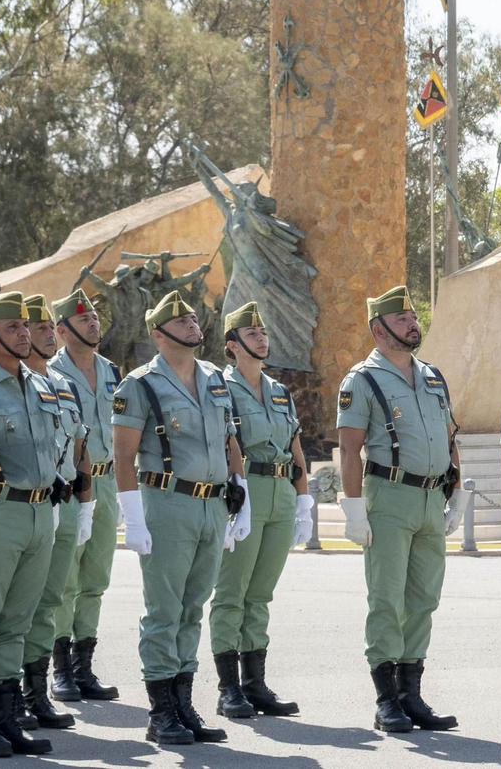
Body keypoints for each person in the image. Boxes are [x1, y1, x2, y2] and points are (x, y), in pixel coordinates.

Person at [112, 291, 251, 746]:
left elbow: (231, 438)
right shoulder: (140, 384)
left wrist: (240, 493)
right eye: (182, 321)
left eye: (193, 319)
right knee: (165, 611)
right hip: (167, 503)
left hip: (212, 504)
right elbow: (124, 456)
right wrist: (132, 516)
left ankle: (184, 703)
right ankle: (161, 712)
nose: (193, 325)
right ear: (158, 334)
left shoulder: (214, 377)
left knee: (193, 608)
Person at [336, 286, 465, 733]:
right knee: (387, 599)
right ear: (379, 329)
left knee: (424, 599)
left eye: (413, 316)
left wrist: (457, 492)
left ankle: (412, 694)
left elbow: (451, 437)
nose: (413, 323)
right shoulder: (362, 380)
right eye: (403, 317)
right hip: (388, 495)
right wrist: (353, 509)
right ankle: (387, 699)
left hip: (432, 496)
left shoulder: (432, 376)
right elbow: (349, 450)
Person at [208, 302, 311, 718]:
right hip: (243, 492)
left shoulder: (279, 390)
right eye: (252, 334)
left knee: (260, 594)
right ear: (232, 345)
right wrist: (236, 498)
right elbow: (223, 444)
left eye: (264, 332)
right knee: (232, 592)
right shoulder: (220, 388)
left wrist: (303, 500)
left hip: (280, 493)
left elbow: (295, 446)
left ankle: (255, 684)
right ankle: (228, 688)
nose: (262, 338)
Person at [0, 292, 60, 756]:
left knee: (17, 622)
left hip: (39, 510)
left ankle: (7, 717)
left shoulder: (37, 382)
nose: (24, 333)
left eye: (24, 326)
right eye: (13, 327)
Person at [17, 295, 90, 731]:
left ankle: (34, 694)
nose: (43, 334)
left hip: (60, 506)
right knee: (14, 609)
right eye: (35, 327)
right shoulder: (10, 384)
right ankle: (4, 699)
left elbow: (81, 445)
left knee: (48, 604)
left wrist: (87, 504)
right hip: (20, 507)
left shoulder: (60, 385)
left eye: (47, 328)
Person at [47, 291, 123, 703]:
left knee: (95, 578)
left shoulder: (113, 371)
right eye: (84, 319)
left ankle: (84, 667)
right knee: (64, 579)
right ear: (62, 331)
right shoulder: (48, 373)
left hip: (107, 482)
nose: (94, 323)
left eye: (94, 316)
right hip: (70, 485)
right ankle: (59, 669)